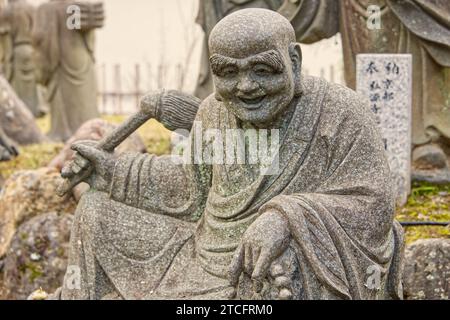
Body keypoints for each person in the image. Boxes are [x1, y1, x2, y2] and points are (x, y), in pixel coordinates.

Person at [55, 9, 404, 300]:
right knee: (96, 210)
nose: (246, 86)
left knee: (282, 264)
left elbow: (373, 204)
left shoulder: (342, 112)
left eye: (262, 70)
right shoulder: (213, 112)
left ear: (294, 62)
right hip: (201, 253)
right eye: (228, 72)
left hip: (273, 260)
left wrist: (285, 218)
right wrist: (112, 171)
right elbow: (190, 189)